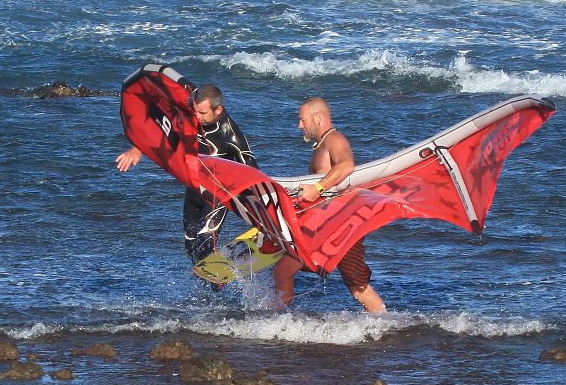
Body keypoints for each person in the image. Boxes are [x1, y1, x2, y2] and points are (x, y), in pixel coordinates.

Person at [115, 84, 258, 262]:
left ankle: (217, 280)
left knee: (205, 241)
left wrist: (257, 205)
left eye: (203, 113)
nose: (197, 117)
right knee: (191, 248)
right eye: (195, 111)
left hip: (217, 195)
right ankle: (204, 287)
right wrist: (137, 149)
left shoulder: (229, 133)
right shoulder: (190, 116)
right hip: (193, 188)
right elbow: (160, 126)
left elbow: (250, 167)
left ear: (218, 109)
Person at [273, 97, 386, 313]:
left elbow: (347, 165)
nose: (299, 126)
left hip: (332, 222)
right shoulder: (323, 143)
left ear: (318, 117)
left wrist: (317, 188)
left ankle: (276, 322)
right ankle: (386, 320)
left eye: (303, 120)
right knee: (356, 284)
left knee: (283, 270)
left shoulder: (334, 139)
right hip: (338, 223)